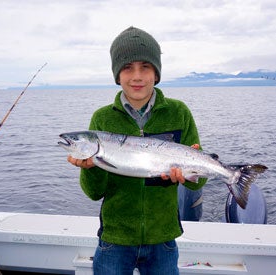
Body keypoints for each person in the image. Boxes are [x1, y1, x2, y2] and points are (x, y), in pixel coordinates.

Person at [67, 26, 206, 274]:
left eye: (145, 67)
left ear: (156, 73)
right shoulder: (102, 119)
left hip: (163, 240)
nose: (137, 76)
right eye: (127, 68)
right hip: (115, 240)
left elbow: (196, 184)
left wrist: (189, 171)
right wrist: (91, 168)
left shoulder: (179, 113)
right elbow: (93, 193)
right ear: (117, 75)